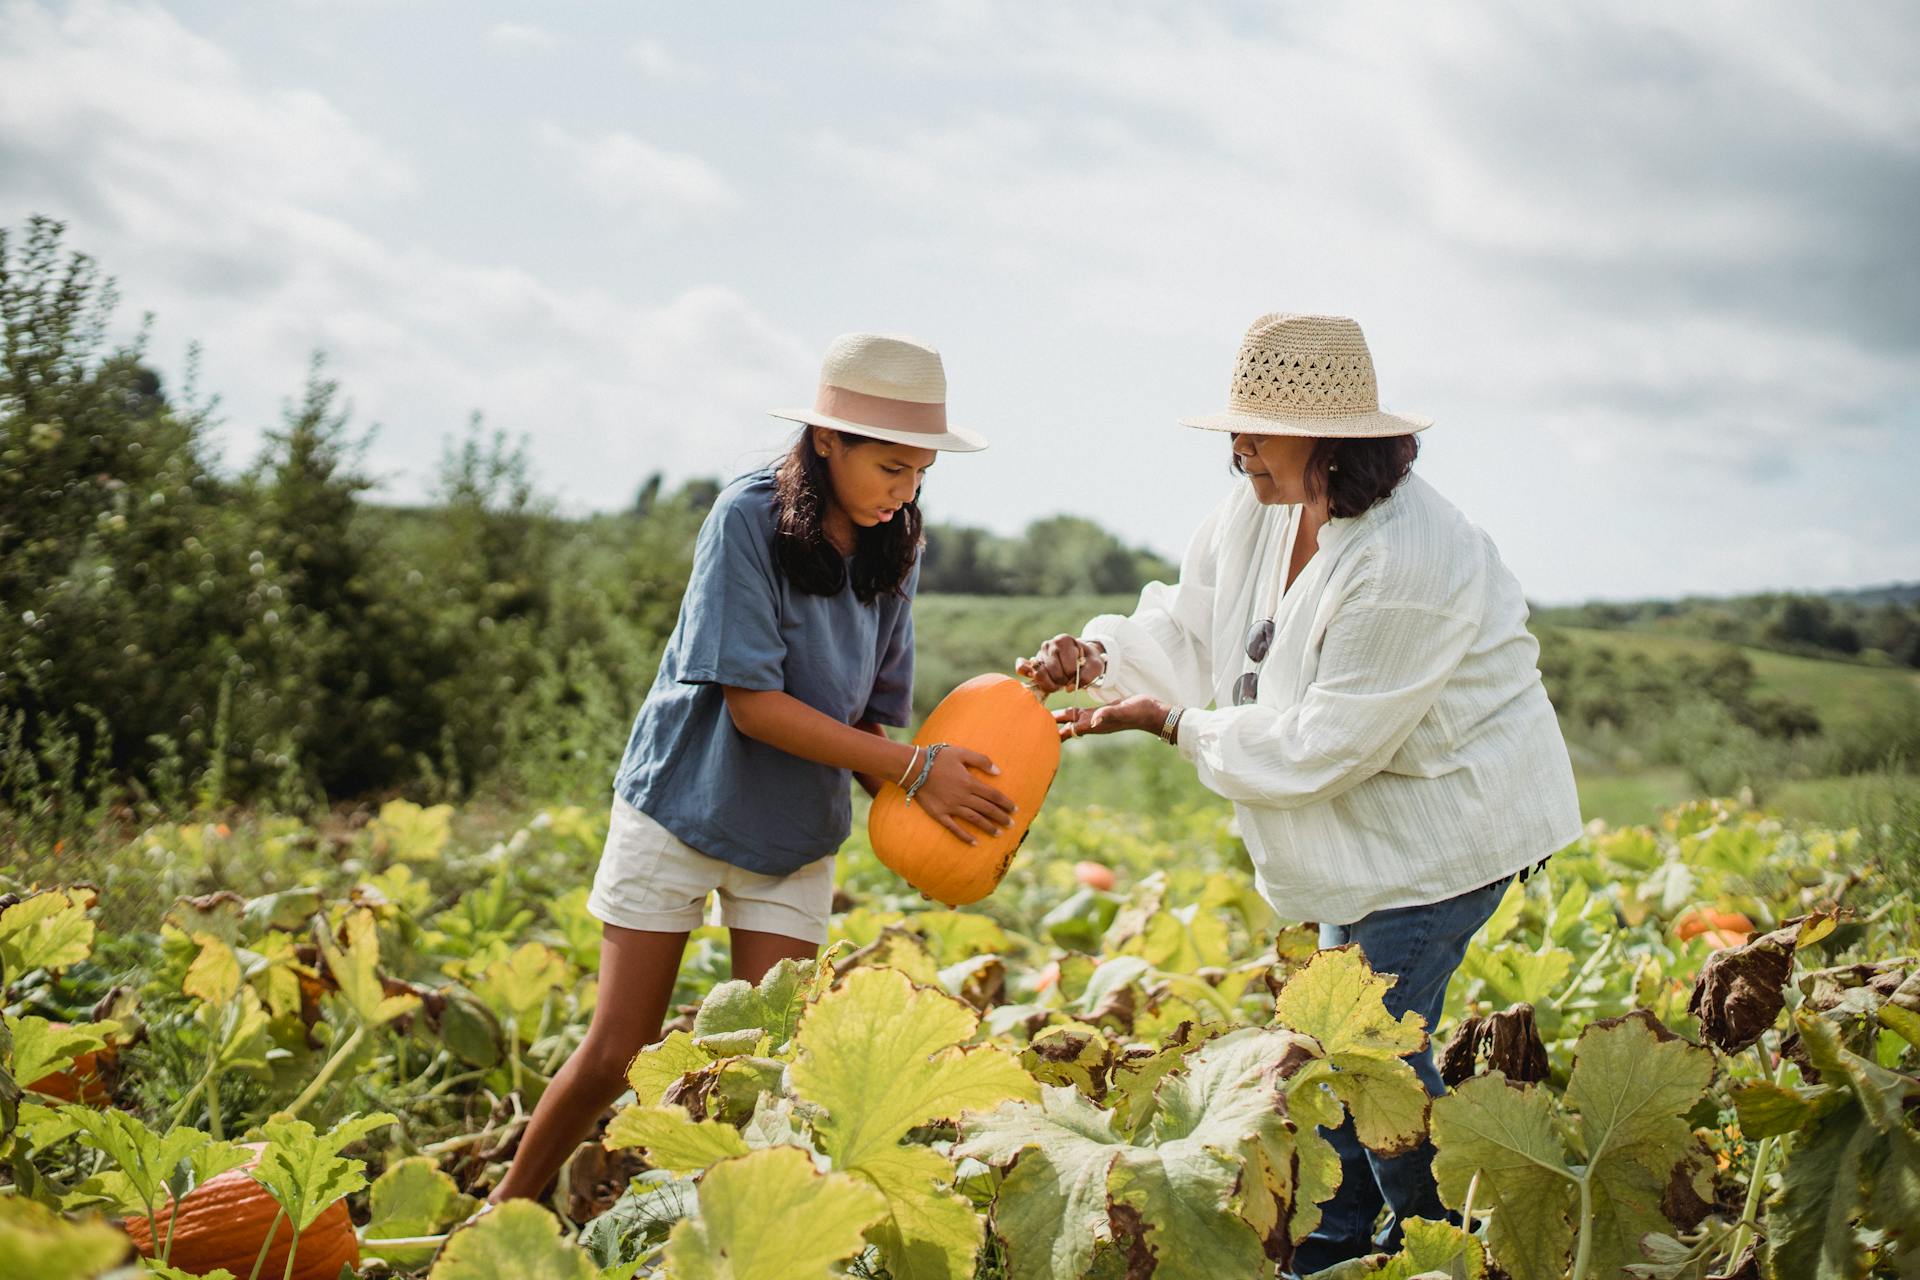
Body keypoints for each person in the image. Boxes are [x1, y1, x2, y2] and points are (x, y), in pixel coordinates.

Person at [1018, 313, 1581, 1268]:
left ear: (1330, 440)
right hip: (1357, 838)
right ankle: (1334, 1250)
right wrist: (1099, 656)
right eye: (1235, 428)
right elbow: (1194, 628)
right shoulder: (1261, 510)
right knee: (1338, 1055)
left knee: (1370, 1061)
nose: (1238, 448)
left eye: (1258, 430)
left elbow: (1327, 744)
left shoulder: (1411, 559)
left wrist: (1170, 725)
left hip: (1442, 832)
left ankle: (1467, 1247)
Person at [488, 332, 1017, 1207]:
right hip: (683, 804)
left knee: (765, 1068)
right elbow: (752, 705)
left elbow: (872, 716)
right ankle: (498, 1214)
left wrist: (931, 813)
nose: (906, 490)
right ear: (825, 440)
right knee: (619, 1050)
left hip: (794, 830)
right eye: (890, 467)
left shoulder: (899, 545)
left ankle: (714, 1240)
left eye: (921, 471)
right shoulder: (747, 518)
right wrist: (914, 770)